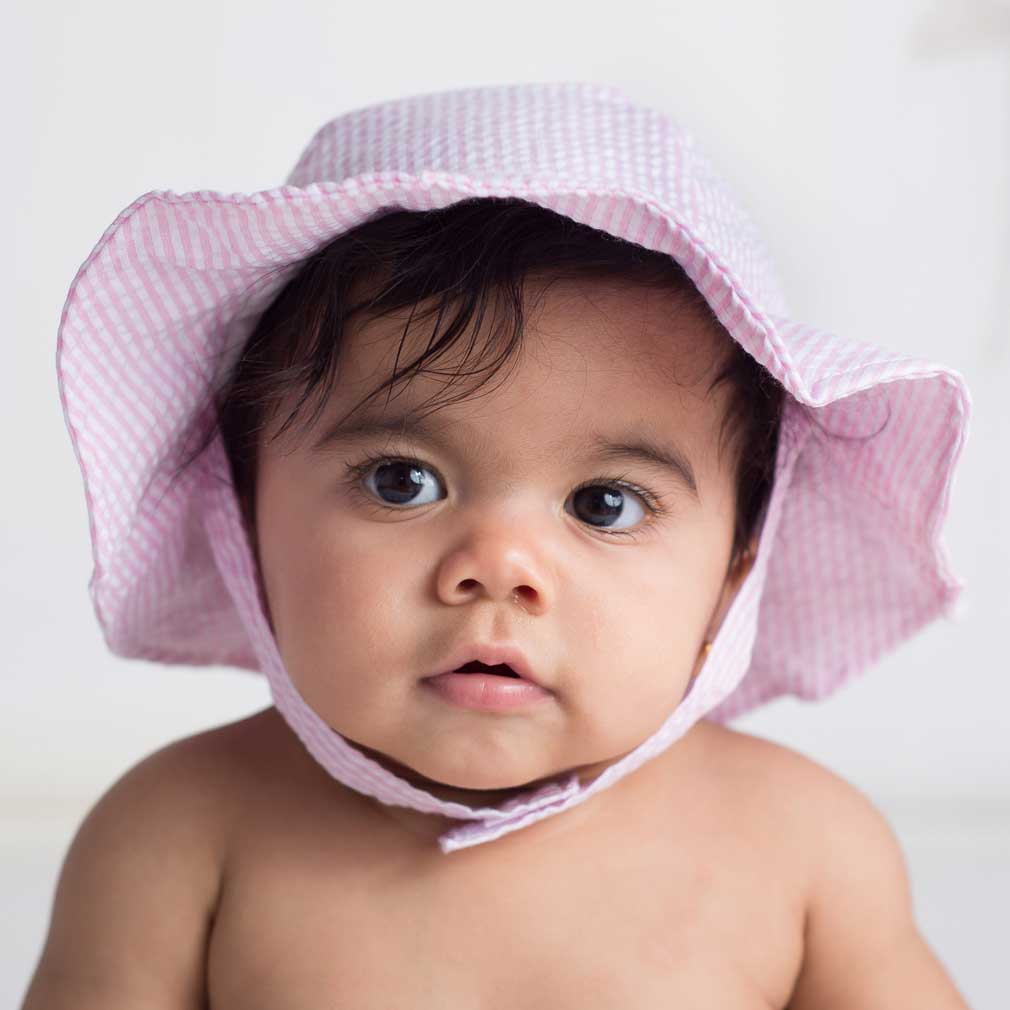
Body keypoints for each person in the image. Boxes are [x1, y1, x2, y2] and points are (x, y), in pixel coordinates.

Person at [23, 82, 972, 1008]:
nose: (500, 567)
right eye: (402, 481)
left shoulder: (803, 853)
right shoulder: (176, 840)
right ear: (245, 507)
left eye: (604, 504)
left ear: (737, 563)